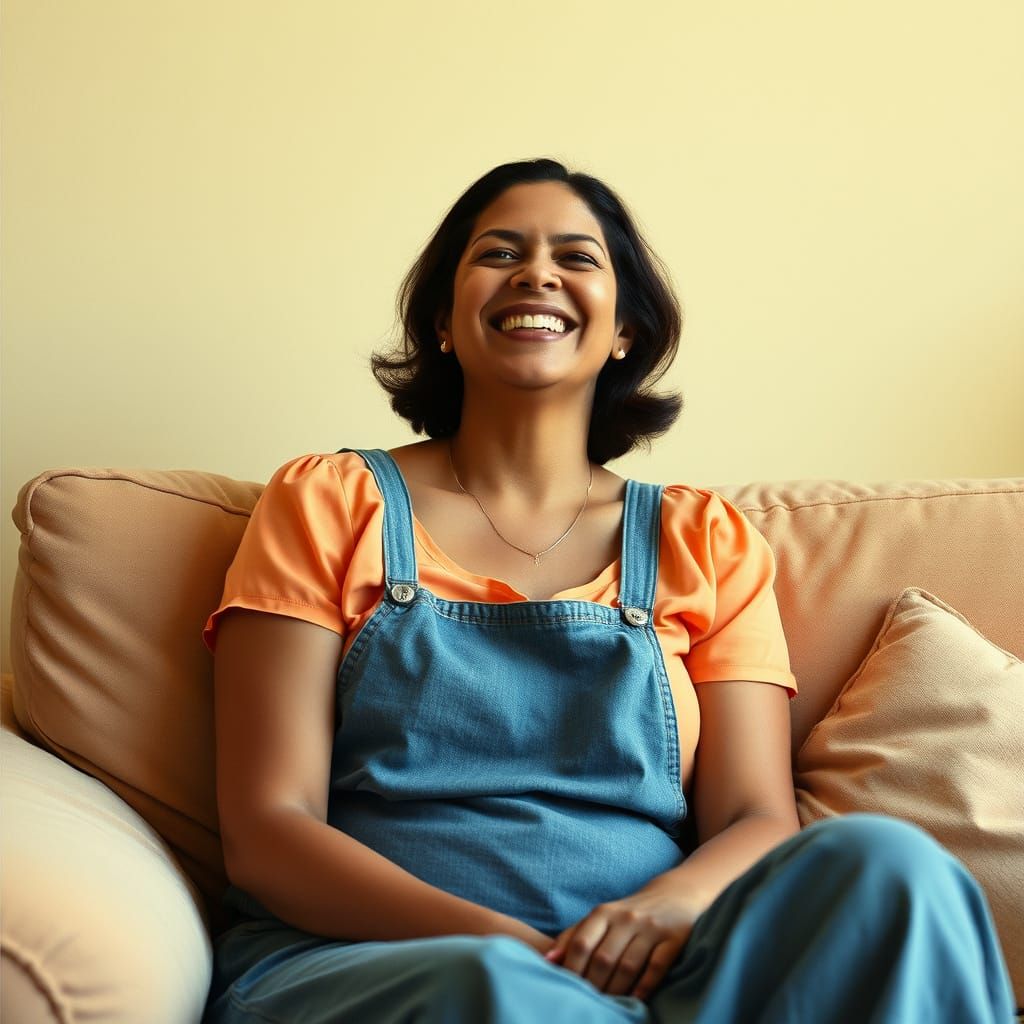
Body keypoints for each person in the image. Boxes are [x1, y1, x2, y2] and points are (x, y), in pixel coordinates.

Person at [201, 158, 1014, 1023]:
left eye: (578, 257)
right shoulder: (330, 501)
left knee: (893, 865)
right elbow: (269, 832)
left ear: (624, 328)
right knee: (498, 995)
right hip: (375, 968)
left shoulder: (701, 540)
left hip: (656, 979)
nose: (537, 272)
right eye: (500, 252)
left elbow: (754, 815)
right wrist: (512, 952)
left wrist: (671, 908)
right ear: (443, 319)